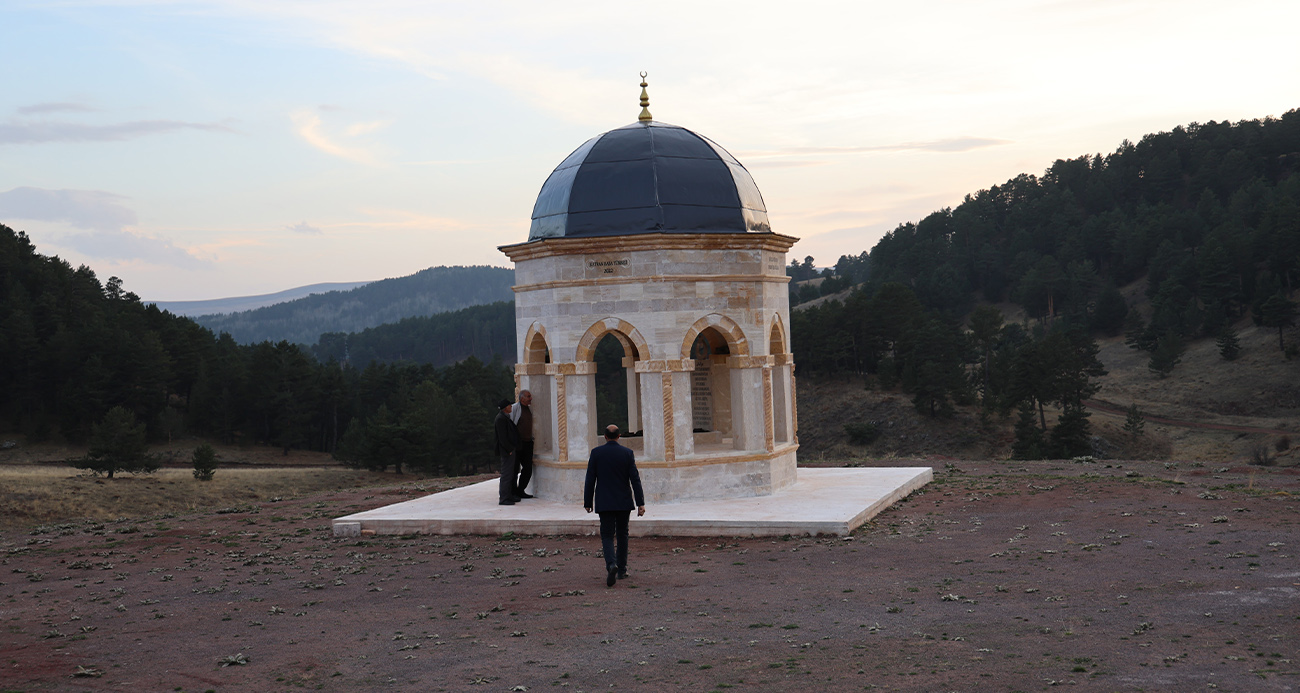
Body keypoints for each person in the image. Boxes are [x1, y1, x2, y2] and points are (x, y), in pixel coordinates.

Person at [583, 424, 646, 587]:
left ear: (604, 436)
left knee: (607, 535)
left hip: (604, 501)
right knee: (623, 534)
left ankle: (611, 564)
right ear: (619, 437)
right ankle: (622, 569)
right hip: (623, 501)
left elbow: (590, 478)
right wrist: (640, 503)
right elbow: (635, 479)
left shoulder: (596, 453)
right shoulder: (627, 453)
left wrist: (588, 502)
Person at [509, 389, 535, 498]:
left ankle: (520, 490)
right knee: (514, 469)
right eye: (528, 396)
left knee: (528, 468)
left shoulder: (529, 409)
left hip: (528, 443)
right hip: (517, 443)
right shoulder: (515, 408)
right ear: (522, 398)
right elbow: (510, 424)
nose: (530, 398)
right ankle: (513, 492)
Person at [493, 399, 520, 506]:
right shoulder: (500, 419)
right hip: (506, 451)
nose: (511, 407)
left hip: (509, 450)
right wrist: (509, 449)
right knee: (506, 474)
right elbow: (502, 437)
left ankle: (509, 495)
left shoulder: (504, 417)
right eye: (509, 405)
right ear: (505, 407)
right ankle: (504, 498)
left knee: (511, 473)